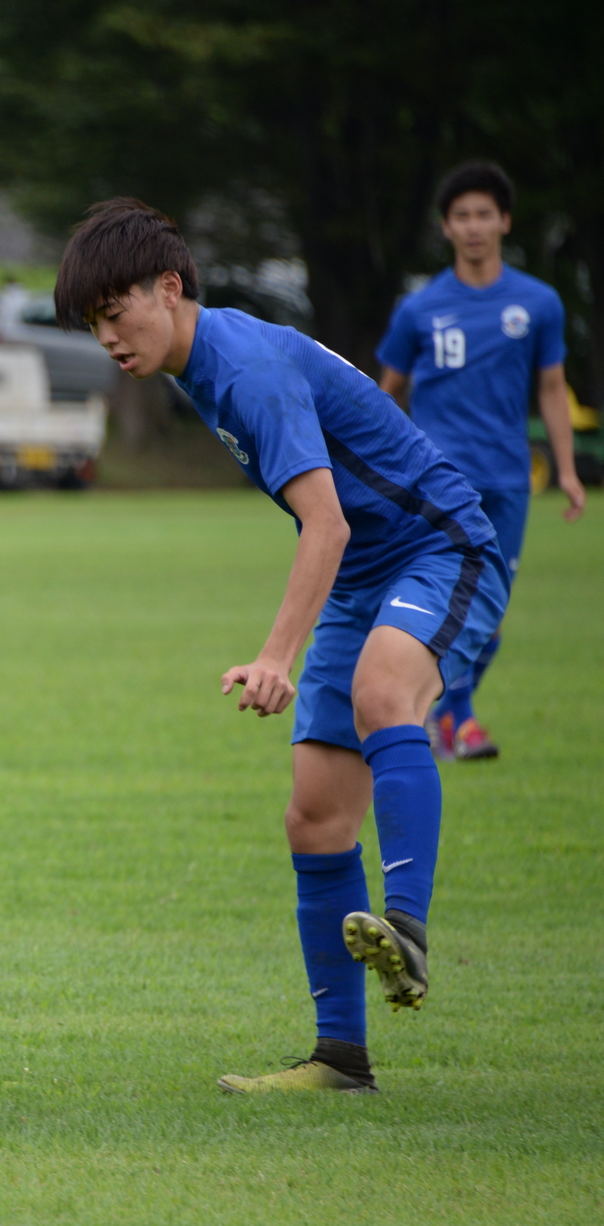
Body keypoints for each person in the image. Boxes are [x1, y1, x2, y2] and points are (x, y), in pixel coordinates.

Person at [56, 199, 507, 1095]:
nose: (109, 336)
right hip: (364, 570)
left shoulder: (244, 366)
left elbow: (325, 523)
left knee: (385, 692)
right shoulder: (199, 359)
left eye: (117, 312)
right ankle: (340, 1058)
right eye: (94, 322)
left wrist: (275, 655)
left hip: (436, 545)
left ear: (170, 287)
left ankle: (407, 930)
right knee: (313, 813)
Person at [377, 161, 586, 760]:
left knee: (488, 615)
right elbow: (385, 393)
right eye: (461, 216)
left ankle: (435, 711)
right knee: (454, 603)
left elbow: (550, 388)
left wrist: (567, 471)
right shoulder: (420, 309)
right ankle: (458, 723)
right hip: (441, 481)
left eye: (484, 215)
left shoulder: (538, 304)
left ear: (505, 221)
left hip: (509, 479)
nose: (473, 227)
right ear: (446, 227)